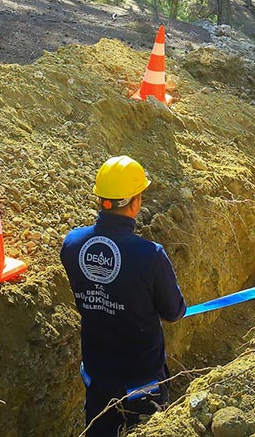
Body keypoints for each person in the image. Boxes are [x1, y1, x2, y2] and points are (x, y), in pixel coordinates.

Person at [61, 156, 187, 435]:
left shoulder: (72, 244)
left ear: (101, 200)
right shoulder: (150, 256)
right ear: (136, 202)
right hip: (142, 383)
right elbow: (174, 312)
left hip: (97, 378)